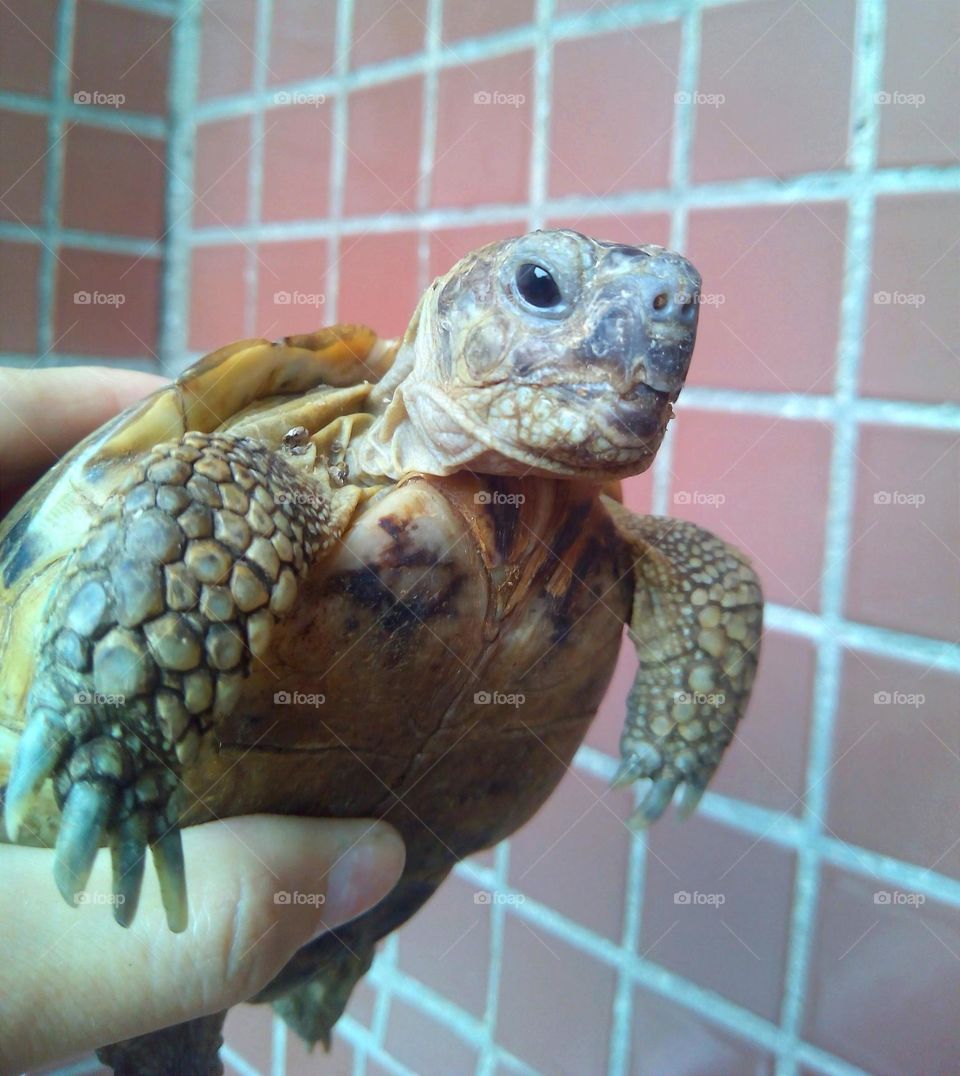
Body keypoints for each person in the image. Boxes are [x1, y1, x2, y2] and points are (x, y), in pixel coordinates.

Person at [0, 367, 406, 1072]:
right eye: (538, 288)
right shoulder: (284, 465)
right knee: (148, 1004)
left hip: (406, 805)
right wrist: (120, 716)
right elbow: (222, 483)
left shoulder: (604, 531)